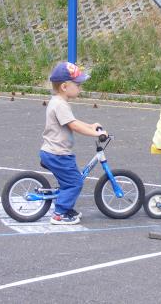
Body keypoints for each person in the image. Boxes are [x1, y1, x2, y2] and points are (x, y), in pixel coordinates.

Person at [40, 61, 107, 225]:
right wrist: (95, 133)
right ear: (64, 86)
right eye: (77, 85)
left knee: (68, 182)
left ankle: (66, 207)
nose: (80, 88)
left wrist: (90, 126)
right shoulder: (60, 105)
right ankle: (59, 213)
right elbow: (74, 125)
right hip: (58, 154)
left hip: (56, 152)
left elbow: (73, 121)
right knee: (75, 182)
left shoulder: (58, 102)